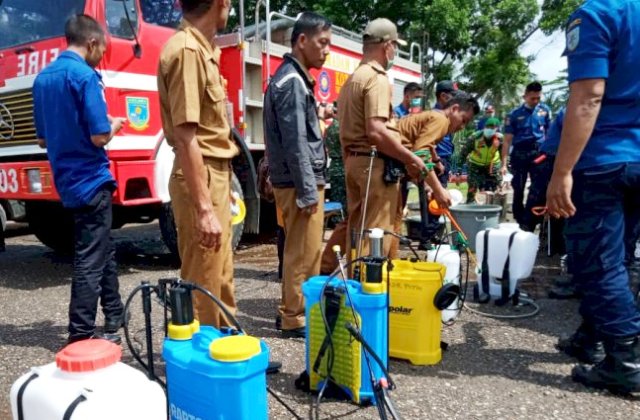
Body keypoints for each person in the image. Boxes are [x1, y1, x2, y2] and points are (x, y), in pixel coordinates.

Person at [546, 0, 640, 395]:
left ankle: (626, 359)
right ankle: (592, 338)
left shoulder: (598, 13)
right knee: (618, 256)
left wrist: (562, 171)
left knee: (595, 263)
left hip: (604, 160)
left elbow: (588, 95)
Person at [32, 15, 126, 345]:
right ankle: (81, 335)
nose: (103, 55)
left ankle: (115, 313)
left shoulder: (42, 80)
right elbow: (100, 136)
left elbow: (43, 140)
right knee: (89, 258)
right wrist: (115, 124)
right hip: (92, 179)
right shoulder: (85, 77)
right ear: (91, 43)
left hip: (67, 182)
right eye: (103, 48)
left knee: (102, 247)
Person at [157, 0, 239, 329]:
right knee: (204, 280)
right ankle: (208, 364)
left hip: (212, 171)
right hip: (199, 172)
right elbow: (186, 135)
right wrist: (204, 207)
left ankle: (231, 351)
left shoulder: (203, 49)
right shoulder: (188, 51)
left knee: (220, 274)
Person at [338, 18, 430, 270]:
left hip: (355, 163)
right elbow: (377, 131)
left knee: (357, 230)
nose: (394, 53)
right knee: (376, 232)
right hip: (373, 165)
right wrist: (411, 158)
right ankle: (370, 295)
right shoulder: (377, 78)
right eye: (395, 47)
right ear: (387, 45)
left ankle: (356, 285)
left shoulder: (353, 79)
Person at [264, 12, 332, 338]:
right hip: (299, 183)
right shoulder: (292, 82)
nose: (327, 50)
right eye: (322, 43)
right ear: (302, 41)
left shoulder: (291, 78)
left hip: (296, 180)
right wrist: (308, 192)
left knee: (302, 250)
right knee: (302, 253)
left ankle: (295, 312)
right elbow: (296, 144)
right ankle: (294, 316)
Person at [390, 92, 479, 256]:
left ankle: (390, 263)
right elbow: (420, 154)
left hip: (393, 168)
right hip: (385, 166)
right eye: (463, 120)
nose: (462, 127)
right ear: (454, 108)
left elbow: (413, 154)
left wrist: (425, 184)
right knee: (385, 224)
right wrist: (438, 190)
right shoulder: (441, 120)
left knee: (393, 220)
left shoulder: (433, 116)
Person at [501, 82, 551, 227]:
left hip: (539, 152)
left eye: (538, 98)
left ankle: (532, 218)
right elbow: (507, 141)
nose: (535, 101)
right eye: (532, 98)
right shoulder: (514, 115)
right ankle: (518, 216)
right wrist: (504, 163)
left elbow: (549, 134)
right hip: (520, 152)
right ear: (525, 96)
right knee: (519, 186)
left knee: (538, 186)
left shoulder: (545, 110)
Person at [460, 117, 503, 203]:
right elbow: (463, 153)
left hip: (493, 164)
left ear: (497, 128)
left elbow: (504, 153)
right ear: (484, 126)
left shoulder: (500, 139)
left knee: (496, 187)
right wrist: (458, 169)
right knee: (472, 186)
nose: (489, 129)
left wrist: (504, 166)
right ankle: (471, 204)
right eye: (488, 126)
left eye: (493, 127)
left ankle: (494, 205)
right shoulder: (475, 137)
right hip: (475, 164)